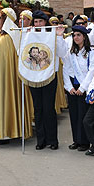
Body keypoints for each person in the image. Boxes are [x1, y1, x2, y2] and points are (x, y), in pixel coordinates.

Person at [0, 8, 33, 145]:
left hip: (3, 80)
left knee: (3, 101)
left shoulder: (7, 38)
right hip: (0, 79)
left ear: (6, 20)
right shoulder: (4, 37)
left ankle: (2, 134)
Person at [24, 10, 67, 150]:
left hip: (49, 77)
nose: (37, 24)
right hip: (34, 76)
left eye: (40, 22)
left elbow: (62, 53)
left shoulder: (52, 35)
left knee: (49, 108)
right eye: (35, 22)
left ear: (45, 23)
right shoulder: (29, 35)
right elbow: (22, 53)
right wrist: (26, 35)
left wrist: (59, 36)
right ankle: (41, 140)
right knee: (38, 109)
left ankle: (52, 140)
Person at [63, 25, 94, 151]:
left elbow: (92, 70)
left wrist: (82, 88)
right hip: (73, 86)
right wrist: (69, 87)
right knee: (74, 114)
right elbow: (66, 70)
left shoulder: (91, 52)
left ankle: (84, 141)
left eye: (78, 35)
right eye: (74, 35)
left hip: (84, 87)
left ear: (84, 37)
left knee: (83, 115)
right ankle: (76, 140)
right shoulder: (70, 53)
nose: (76, 37)